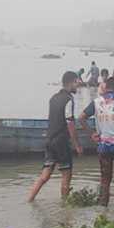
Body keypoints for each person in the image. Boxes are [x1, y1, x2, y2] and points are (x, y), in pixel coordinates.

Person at [79, 77, 114, 206]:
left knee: (105, 179)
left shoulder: (96, 102)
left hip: (103, 145)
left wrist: (92, 134)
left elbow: (81, 118)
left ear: (105, 87)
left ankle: (103, 207)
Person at [27, 71, 83, 202]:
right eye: (77, 82)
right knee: (66, 175)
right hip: (61, 142)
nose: (78, 86)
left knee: (44, 176)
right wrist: (77, 145)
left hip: (50, 140)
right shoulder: (69, 99)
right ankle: (65, 208)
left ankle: (29, 200)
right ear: (72, 82)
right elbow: (70, 124)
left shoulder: (53, 98)